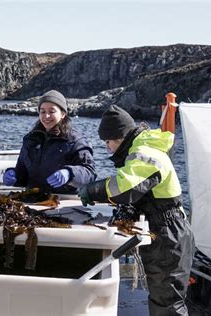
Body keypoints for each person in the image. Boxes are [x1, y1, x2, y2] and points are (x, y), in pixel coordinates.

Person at [78, 105, 195, 315]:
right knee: (163, 299)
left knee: (168, 304)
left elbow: (125, 188)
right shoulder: (141, 148)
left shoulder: (144, 154)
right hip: (165, 231)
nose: (108, 148)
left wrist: (92, 190)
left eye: (108, 142)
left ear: (120, 137)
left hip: (169, 235)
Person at [2, 90, 96, 194]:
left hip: (64, 201)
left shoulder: (76, 141)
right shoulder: (30, 139)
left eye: (51, 112)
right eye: (42, 112)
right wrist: (14, 174)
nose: (46, 116)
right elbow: (23, 172)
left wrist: (69, 174)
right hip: (32, 200)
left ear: (63, 114)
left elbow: (89, 174)